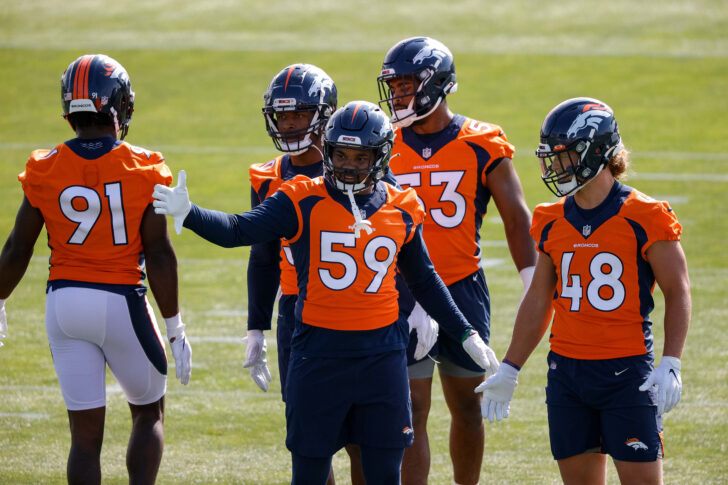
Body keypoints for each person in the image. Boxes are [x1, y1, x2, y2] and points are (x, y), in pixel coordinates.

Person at [152, 101, 499, 485]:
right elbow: (238, 230)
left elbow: (425, 279)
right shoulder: (300, 197)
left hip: (383, 358)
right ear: (328, 151)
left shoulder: (402, 204)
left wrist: (465, 333)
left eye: (360, 156)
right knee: (310, 473)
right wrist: (190, 212)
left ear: (380, 156)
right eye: (341, 154)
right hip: (318, 355)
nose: (349, 164)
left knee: (384, 474)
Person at [0, 54, 191, 484]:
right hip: (122, 299)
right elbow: (158, 253)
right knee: (148, 412)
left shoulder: (44, 165)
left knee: (84, 439)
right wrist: (175, 325)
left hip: (64, 304)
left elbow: (17, 247)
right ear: (120, 105)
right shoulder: (145, 166)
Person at [478, 97, 690, 485]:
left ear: (597, 151)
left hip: (628, 374)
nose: (556, 167)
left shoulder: (645, 215)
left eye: (564, 156)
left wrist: (671, 362)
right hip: (567, 375)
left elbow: (678, 290)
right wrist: (510, 366)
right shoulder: (550, 217)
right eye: (553, 158)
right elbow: (540, 300)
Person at [376, 36, 537, 485]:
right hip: (401, 291)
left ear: (435, 84)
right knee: (411, 407)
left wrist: (531, 281)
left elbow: (516, 215)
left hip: (461, 286)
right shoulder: (383, 140)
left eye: (407, 85)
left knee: (468, 403)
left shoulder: (482, 141)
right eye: (396, 86)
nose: (399, 96)